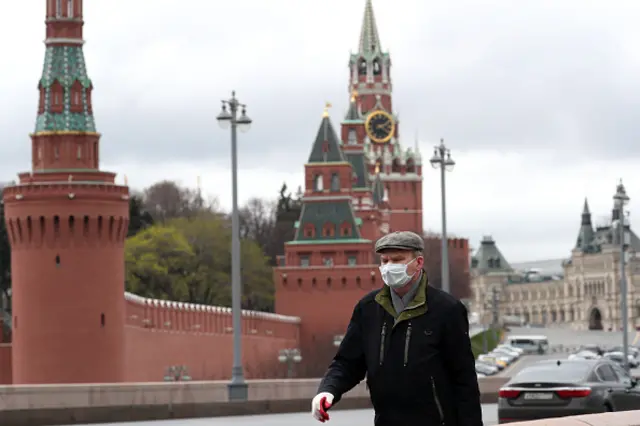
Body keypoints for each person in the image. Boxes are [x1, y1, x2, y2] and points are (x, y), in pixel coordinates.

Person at [310, 231, 483, 425]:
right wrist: (327, 390)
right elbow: (347, 362)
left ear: (418, 263)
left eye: (398, 260)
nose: (389, 267)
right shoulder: (368, 308)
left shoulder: (446, 309)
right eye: (385, 261)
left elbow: (464, 379)